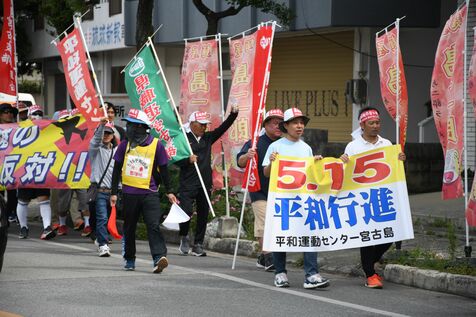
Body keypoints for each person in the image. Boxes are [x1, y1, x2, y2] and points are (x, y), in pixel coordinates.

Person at [262, 107, 330, 289]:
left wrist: (316, 164)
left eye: (302, 123)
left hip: (303, 198)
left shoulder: (306, 148)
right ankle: (280, 273)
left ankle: (312, 274)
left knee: (309, 232)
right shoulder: (275, 146)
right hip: (282, 199)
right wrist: (272, 162)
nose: (299, 126)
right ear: (286, 125)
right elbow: (266, 173)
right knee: (281, 234)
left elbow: (310, 174)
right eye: (295, 123)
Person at [340, 106, 406, 289]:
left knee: (389, 234)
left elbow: (394, 168)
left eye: (377, 122)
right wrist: (343, 162)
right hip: (362, 197)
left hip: (383, 195)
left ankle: (370, 263)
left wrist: (400, 159)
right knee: (367, 236)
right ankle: (370, 274)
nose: (376, 126)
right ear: (362, 125)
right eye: (371, 123)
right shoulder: (353, 146)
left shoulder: (386, 144)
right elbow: (346, 171)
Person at [110, 109, 177, 272]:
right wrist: (113, 192)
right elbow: (116, 170)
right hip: (129, 194)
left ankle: (158, 258)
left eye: (132, 125)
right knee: (129, 227)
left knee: (153, 225)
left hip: (149, 193)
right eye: (128, 125)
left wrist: (170, 191)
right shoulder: (124, 145)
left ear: (141, 127)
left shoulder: (156, 145)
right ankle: (130, 259)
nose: (129, 129)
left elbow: (164, 170)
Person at [176, 106, 239, 256]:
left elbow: (223, 128)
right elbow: (174, 159)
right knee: (186, 211)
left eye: (206, 124)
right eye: (201, 124)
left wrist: (233, 114)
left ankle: (198, 244)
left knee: (203, 214)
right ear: (192, 123)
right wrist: (187, 160)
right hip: (187, 182)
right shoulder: (183, 138)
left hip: (204, 182)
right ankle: (184, 235)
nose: (204, 127)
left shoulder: (208, 137)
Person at [236, 109, 284, 271]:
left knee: (277, 224)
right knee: (264, 223)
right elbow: (240, 162)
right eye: (274, 123)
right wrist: (247, 156)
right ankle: (269, 256)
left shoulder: (286, 143)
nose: (278, 126)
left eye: (281, 123)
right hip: (259, 190)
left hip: (280, 191)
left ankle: (263, 257)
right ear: (266, 125)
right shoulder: (255, 142)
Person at [16, 105, 55, 240]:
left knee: (44, 199)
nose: (37, 115)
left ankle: (47, 227)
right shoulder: (21, 127)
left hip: (41, 167)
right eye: (35, 113)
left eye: (40, 113)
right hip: (25, 169)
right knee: (23, 200)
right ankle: (23, 227)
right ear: (29, 115)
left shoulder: (47, 128)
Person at [89, 118, 117, 257]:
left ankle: (100, 238)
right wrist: (101, 125)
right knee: (102, 218)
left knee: (108, 219)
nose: (106, 135)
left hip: (112, 192)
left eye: (108, 133)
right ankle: (103, 245)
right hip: (99, 191)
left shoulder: (117, 152)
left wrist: (118, 190)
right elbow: (94, 141)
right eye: (104, 133)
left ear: (113, 135)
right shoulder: (95, 150)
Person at [0, 103, 19, 224]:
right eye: (6, 112)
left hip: (13, 166)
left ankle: (5, 218)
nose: (9, 114)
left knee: (13, 197)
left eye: (11, 112)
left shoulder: (18, 129)